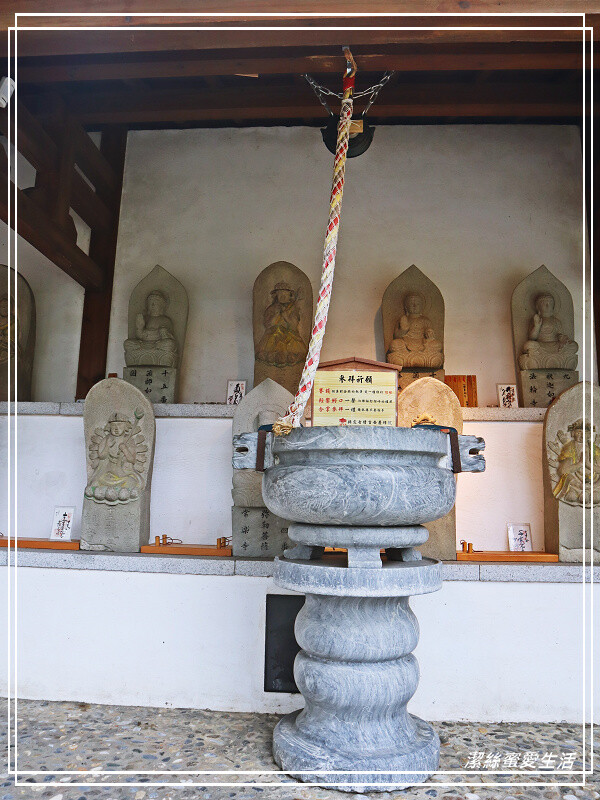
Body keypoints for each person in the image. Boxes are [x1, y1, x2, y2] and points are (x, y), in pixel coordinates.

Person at [518, 293, 578, 370]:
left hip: (556, 346)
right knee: (529, 344)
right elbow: (532, 338)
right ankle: (539, 360)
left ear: (553, 306)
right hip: (541, 346)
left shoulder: (556, 321)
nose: (547, 305)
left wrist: (562, 338)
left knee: (574, 346)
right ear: (538, 307)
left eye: (550, 303)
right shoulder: (535, 320)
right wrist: (537, 326)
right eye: (544, 303)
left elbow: (560, 335)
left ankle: (548, 360)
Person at [255, 281, 307, 367]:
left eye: (285, 294)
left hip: (290, 337)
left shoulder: (293, 309)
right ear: (276, 296)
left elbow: (294, 326)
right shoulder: (271, 308)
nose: (283, 296)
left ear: (290, 295)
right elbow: (268, 325)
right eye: (280, 294)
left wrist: (285, 316)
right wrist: (276, 314)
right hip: (273, 338)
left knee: (294, 354)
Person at [386, 292, 443, 368]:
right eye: (411, 304)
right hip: (406, 345)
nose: (415, 306)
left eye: (418, 304)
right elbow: (396, 336)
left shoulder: (425, 320)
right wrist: (403, 330)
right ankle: (424, 360)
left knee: (437, 345)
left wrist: (430, 335)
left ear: (422, 306)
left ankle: (406, 360)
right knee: (394, 344)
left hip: (423, 344)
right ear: (406, 307)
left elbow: (431, 336)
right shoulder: (403, 319)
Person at [124, 290, 178, 367]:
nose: (152, 305)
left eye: (155, 302)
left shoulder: (166, 320)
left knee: (170, 344)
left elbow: (169, 338)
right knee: (128, 343)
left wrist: (163, 332)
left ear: (162, 305)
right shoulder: (145, 318)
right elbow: (140, 336)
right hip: (143, 345)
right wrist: (140, 328)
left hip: (158, 345)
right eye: (150, 302)